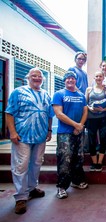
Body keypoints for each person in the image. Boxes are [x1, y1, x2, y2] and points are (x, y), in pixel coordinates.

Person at [5, 67, 53, 214]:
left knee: (37, 163)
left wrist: (49, 130)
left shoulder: (46, 95)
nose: (37, 78)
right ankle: (20, 197)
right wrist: (12, 132)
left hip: (40, 136)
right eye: (34, 76)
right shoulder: (18, 92)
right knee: (21, 165)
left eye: (39, 76)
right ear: (28, 78)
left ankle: (32, 188)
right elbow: (9, 113)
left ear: (43, 79)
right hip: (22, 136)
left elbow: (49, 114)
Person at [53, 71, 88, 199]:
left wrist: (80, 126)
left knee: (78, 157)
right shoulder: (59, 94)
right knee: (65, 158)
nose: (70, 80)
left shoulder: (81, 95)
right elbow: (59, 114)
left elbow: (85, 111)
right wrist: (75, 125)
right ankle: (61, 187)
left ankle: (77, 181)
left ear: (75, 81)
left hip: (79, 132)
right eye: (68, 79)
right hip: (64, 133)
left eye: (72, 78)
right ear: (64, 81)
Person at [85, 71, 106, 171]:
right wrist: (89, 108)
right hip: (91, 118)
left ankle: (100, 162)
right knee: (91, 140)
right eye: (97, 76)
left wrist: (103, 109)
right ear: (94, 78)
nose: (98, 78)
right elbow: (85, 103)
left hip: (103, 118)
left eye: (100, 76)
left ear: (103, 78)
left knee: (103, 139)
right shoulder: (89, 89)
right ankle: (94, 162)